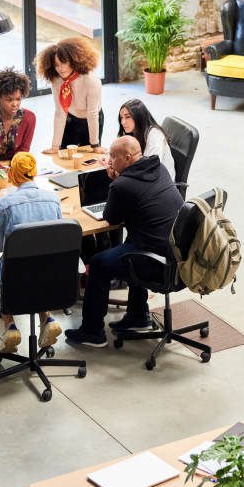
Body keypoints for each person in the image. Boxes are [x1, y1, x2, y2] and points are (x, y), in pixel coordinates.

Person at [64, 136, 184, 347]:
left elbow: (110, 218)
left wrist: (114, 181)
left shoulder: (122, 185)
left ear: (127, 158)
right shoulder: (158, 167)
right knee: (129, 243)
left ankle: (92, 331)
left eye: (112, 156)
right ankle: (138, 316)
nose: (108, 160)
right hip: (177, 253)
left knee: (99, 263)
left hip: (155, 262)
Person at [0, 152, 63, 354]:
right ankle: (47, 318)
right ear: (34, 172)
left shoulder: (6, 203)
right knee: (38, 266)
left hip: (16, 277)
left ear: (12, 174)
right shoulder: (54, 200)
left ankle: (10, 326)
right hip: (49, 274)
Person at [36, 38, 107, 156]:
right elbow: (60, 112)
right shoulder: (56, 81)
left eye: (63, 62)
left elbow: (92, 114)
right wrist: (55, 147)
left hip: (91, 120)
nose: (60, 68)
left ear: (73, 60)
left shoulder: (91, 81)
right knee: (65, 156)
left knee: (89, 159)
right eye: (56, 65)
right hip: (70, 120)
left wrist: (95, 144)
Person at [114, 99, 175, 180]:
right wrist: (108, 156)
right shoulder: (134, 131)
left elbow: (151, 168)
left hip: (157, 183)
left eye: (127, 117)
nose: (123, 122)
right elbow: (118, 147)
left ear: (139, 117)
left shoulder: (154, 137)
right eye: (121, 118)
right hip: (144, 176)